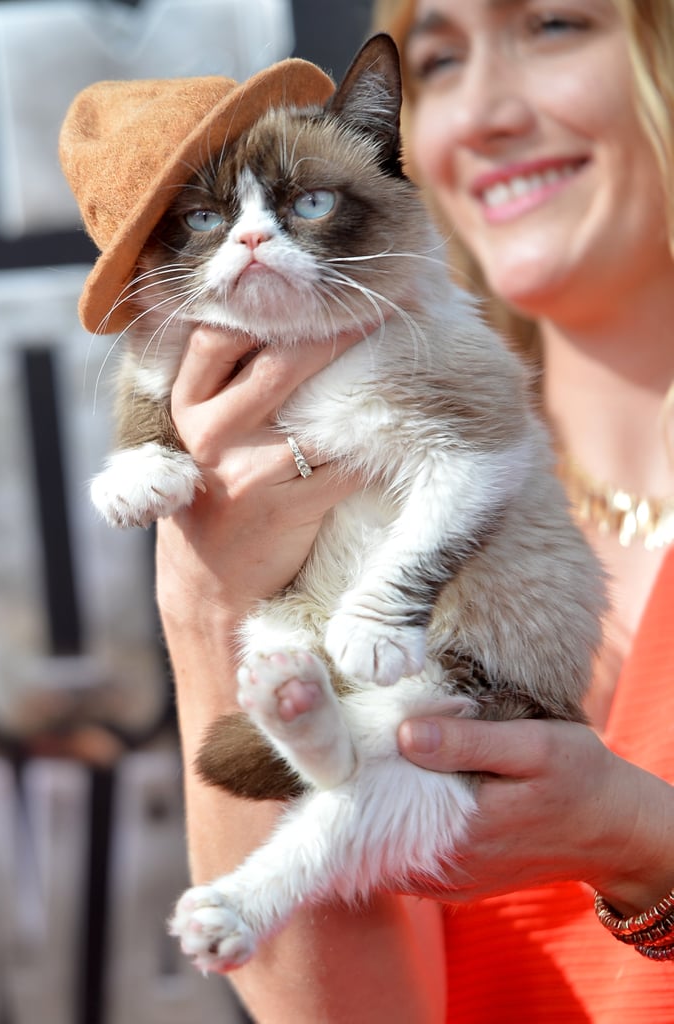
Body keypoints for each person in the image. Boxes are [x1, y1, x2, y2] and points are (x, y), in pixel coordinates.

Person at [155, 0, 674, 1019]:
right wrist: (205, 603)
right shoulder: (325, 485)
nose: (476, 115)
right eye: (435, 60)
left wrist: (643, 846)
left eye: (554, 26)